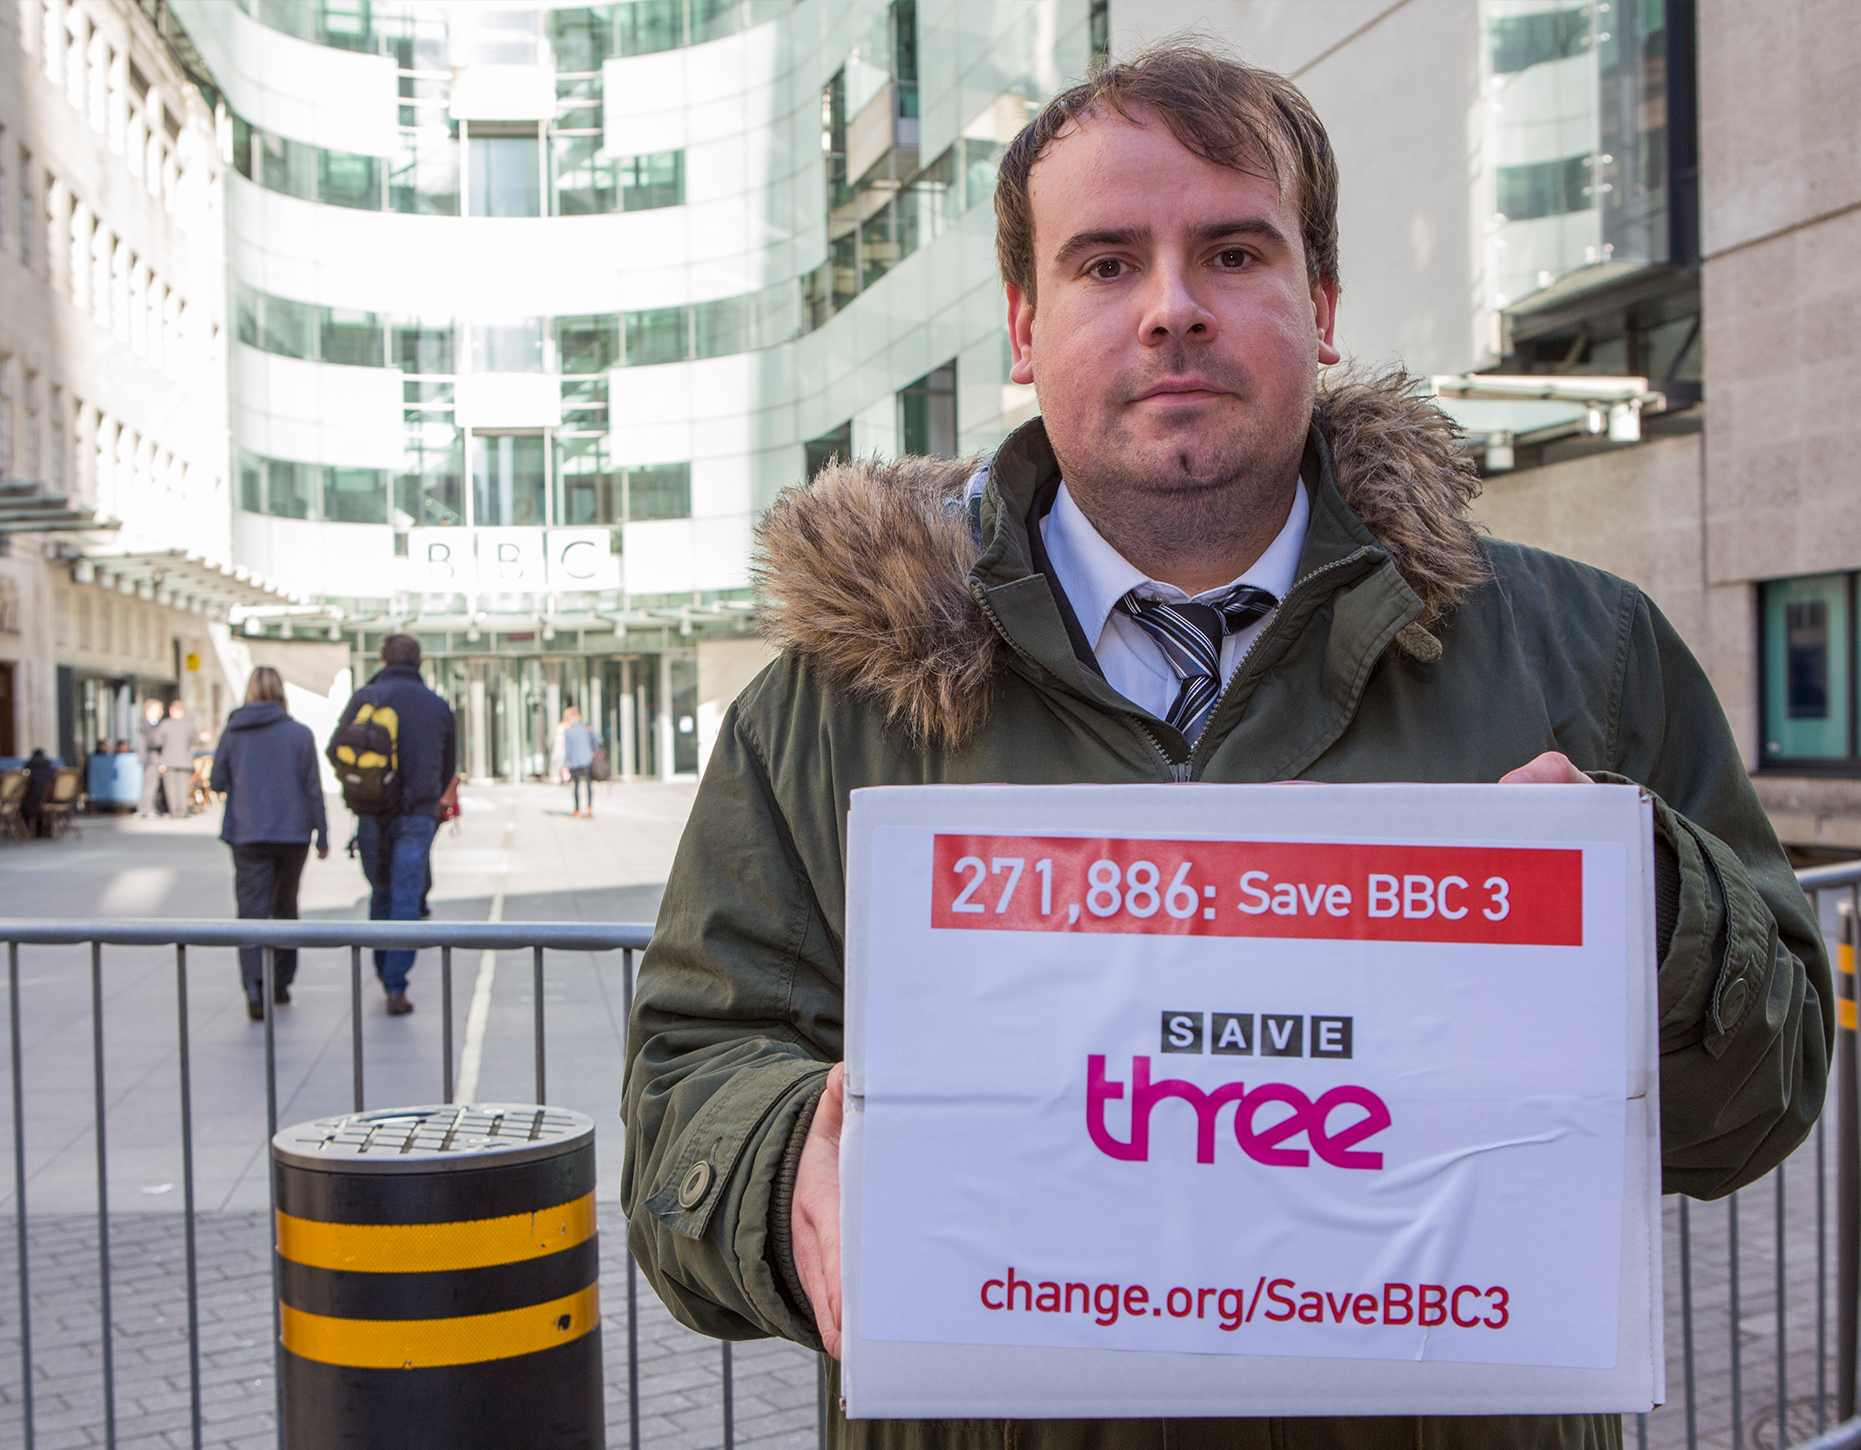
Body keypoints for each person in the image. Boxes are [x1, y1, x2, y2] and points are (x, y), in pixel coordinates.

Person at [620, 43, 1831, 1450]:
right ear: (1023, 324)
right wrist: (783, 1172)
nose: (1173, 310)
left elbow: (1770, 1092)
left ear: (1318, 306)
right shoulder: (830, 709)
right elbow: (682, 1103)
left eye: (1234, 251)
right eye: (1106, 263)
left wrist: (1655, 916)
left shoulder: (1585, 655)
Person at [334, 634, 456, 1015]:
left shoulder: (365, 697)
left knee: (380, 891)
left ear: (384, 659)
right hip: (417, 814)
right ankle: (395, 984)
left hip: (371, 812)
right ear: (419, 661)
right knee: (406, 895)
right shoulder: (436, 705)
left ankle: (383, 967)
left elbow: (336, 749)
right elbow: (449, 765)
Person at [211, 667, 329, 1020]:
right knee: (285, 907)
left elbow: (217, 780)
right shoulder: (300, 734)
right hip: (292, 835)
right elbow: (312, 788)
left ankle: (253, 985)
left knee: (250, 912)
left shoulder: (233, 733)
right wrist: (323, 834)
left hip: (246, 833)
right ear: (281, 693)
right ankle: (281, 983)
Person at [155, 699, 198, 817]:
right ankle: (183, 811)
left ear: (171, 711)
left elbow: (158, 741)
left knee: (171, 788)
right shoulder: (188, 725)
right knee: (183, 787)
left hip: (169, 761)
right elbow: (195, 740)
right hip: (185, 761)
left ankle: (174, 811)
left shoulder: (165, 724)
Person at [559, 705, 602, 818]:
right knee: (589, 785)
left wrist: (565, 765)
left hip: (575, 762)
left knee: (577, 786)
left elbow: (568, 750)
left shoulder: (568, 731)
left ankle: (577, 810)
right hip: (588, 760)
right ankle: (589, 808)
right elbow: (599, 740)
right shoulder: (587, 727)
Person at [136, 699, 166, 817]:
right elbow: (153, 741)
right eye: (158, 709)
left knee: (148, 784)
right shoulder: (147, 724)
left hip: (149, 758)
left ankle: (145, 808)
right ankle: (148, 809)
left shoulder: (148, 724)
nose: (161, 712)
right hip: (150, 758)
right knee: (150, 785)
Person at [20, 748, 57, 836]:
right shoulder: (49, 767)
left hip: (31, 801)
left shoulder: (29, 766)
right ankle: (46, 830)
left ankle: (27, 830)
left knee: (23, 806)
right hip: (49, 800)